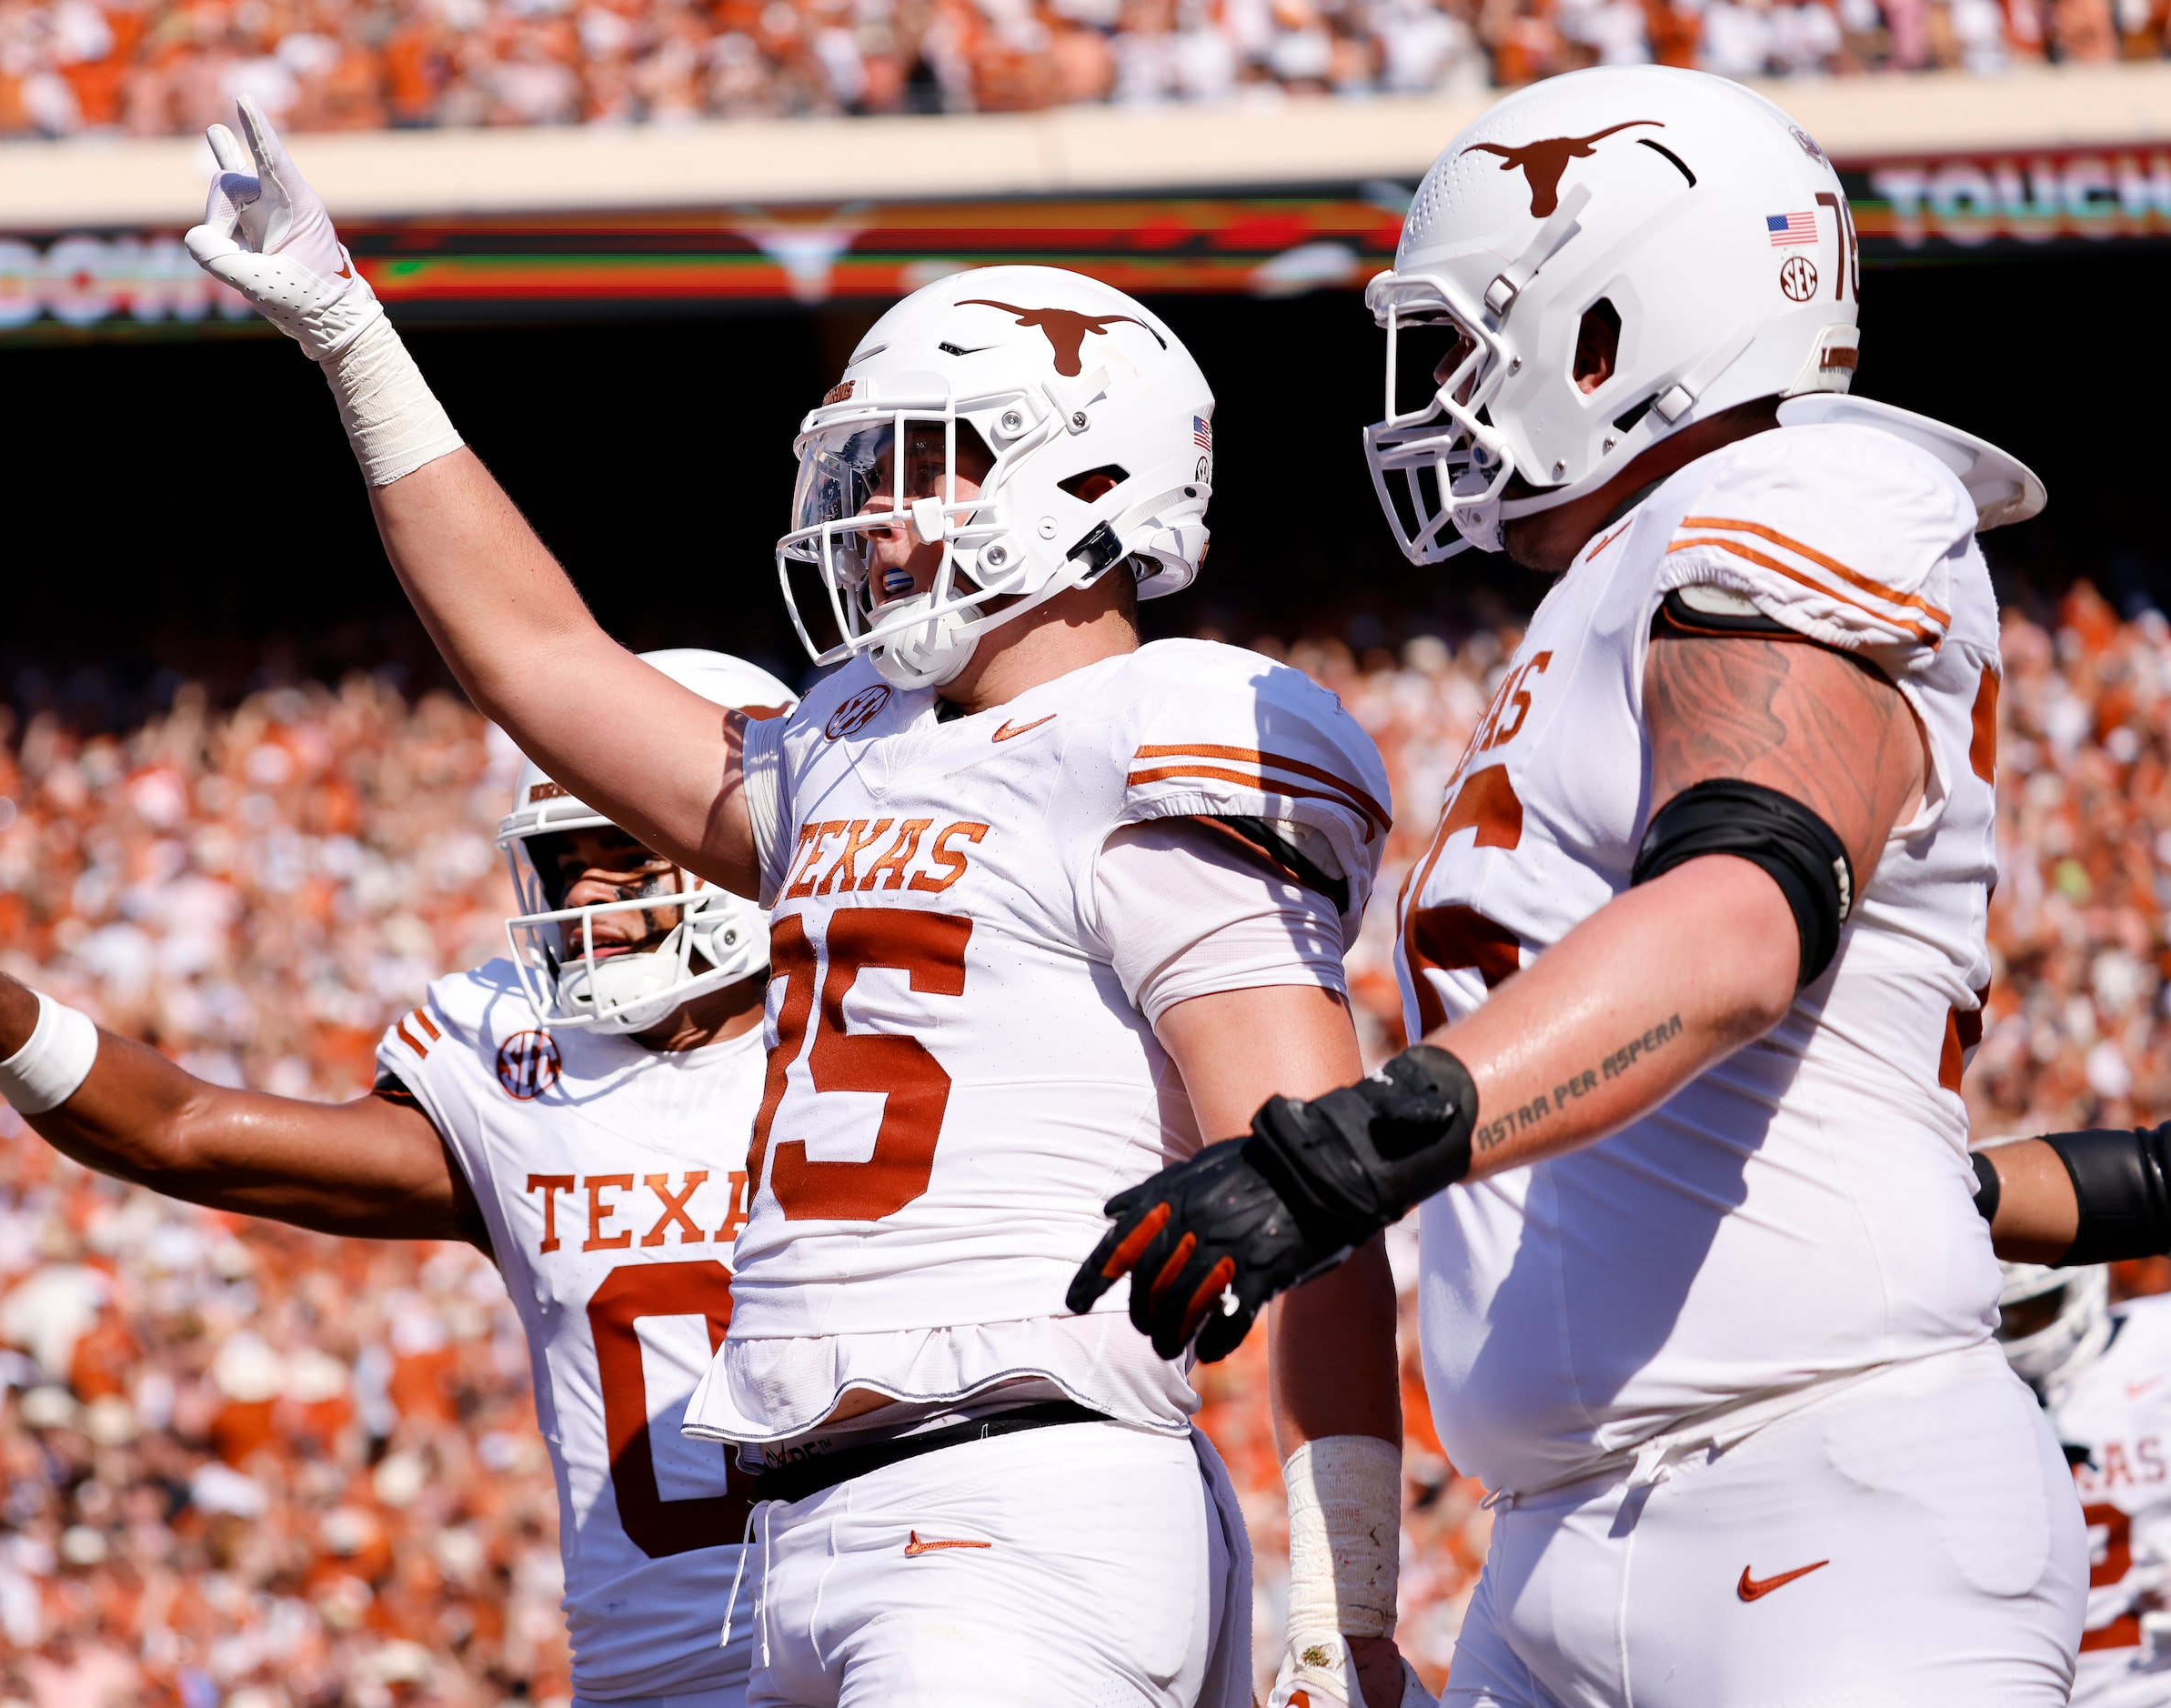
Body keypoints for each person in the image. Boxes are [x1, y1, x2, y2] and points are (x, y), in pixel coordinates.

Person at [176, 96, 1420, 1707]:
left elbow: (1314, 1192)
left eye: (925, 468)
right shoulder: (846, 747)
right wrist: (352, 338)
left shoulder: (1160, 727)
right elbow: (540, 662)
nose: (877, 518)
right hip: (813, 1532)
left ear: (1088, 473)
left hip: (1020, 1504)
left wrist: (1347, 1608)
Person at [1071, 63, 2142, 1702]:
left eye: (1460, 336)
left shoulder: (1802, 488)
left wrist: (1353, 1144)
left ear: (1609, 326)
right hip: (1564, 1544)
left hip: (1817, 1503)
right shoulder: (1610, 584)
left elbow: (1737, 920)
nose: (1434, 389)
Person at [0, 648, 796, 1708]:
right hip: (652, 1678)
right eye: (563, 864)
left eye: (620, 857)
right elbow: (185, 1130)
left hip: (876, 1618)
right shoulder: (519, 1066)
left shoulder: (885, 1026)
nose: (585, 902)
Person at [2000, 1258, 2171, 1702]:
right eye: (2010, 1316)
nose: (2025, 1333)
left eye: (2039, 1307)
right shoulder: (1962, 1399)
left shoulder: (2158, 1346)